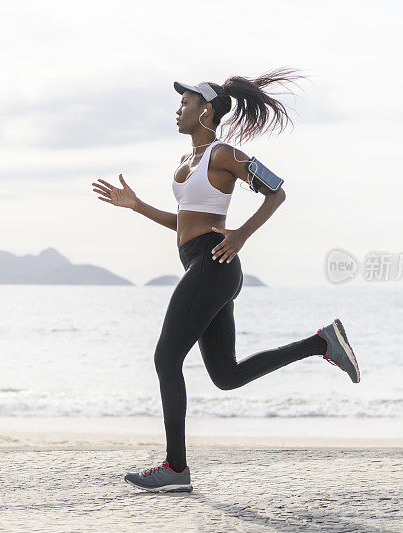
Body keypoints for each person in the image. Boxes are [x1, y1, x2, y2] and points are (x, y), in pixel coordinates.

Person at [91, 69, 360, 493]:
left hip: (214, 264)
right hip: (204, 265)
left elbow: (276, 192)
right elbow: (183, 224)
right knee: (226, 376)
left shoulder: (224, 155)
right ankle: (322, 343)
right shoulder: (187, 161)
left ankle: (176, 468)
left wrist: (240, 234)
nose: (178, 109)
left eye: (186, 103)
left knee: (166, 358)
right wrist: (138, 205)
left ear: (207, 111)